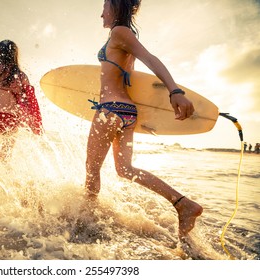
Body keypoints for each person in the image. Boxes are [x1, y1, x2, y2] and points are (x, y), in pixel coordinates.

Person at [84, 0, 203, 237]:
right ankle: (183, 204)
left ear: (116, 7)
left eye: (105, 6)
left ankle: (86, 219)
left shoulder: (120, 32)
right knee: (125, 169)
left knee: (91, 168)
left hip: (110, 110)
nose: (101, 14)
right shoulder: (122, 36)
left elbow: (151, 59)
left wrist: (175, 91)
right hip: (128, 112)